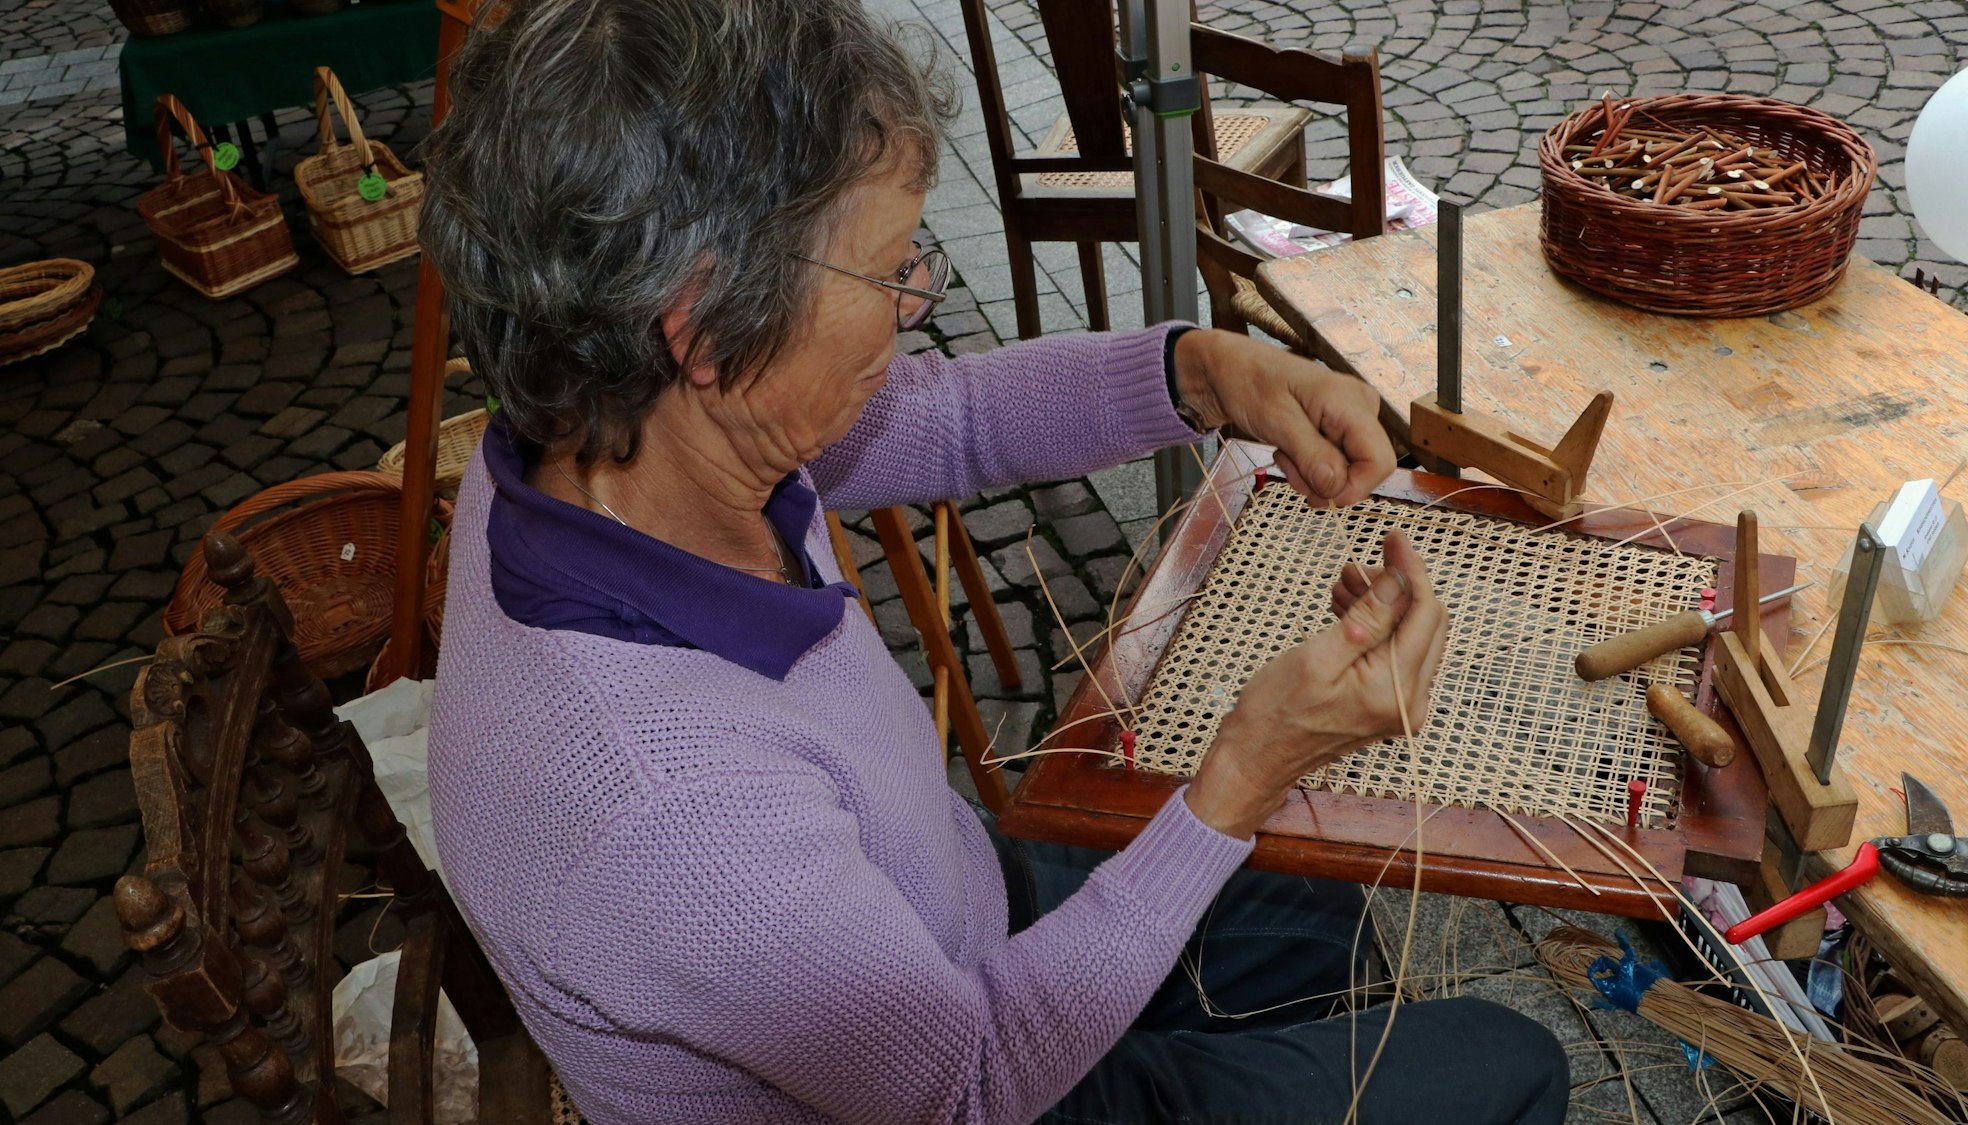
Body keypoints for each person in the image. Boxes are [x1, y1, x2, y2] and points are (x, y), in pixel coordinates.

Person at [419, 0, 1568, 1122]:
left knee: (1304, 910)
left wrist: (1210, 373)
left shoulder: (600, 438)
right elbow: (968, 1085)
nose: (915, 309)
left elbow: (949, 417)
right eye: (886, 273)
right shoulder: (668, 810)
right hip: (974, 1071)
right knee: (1505, 1061)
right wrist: (1238, 777)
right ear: (708, 329)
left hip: (953, 909)